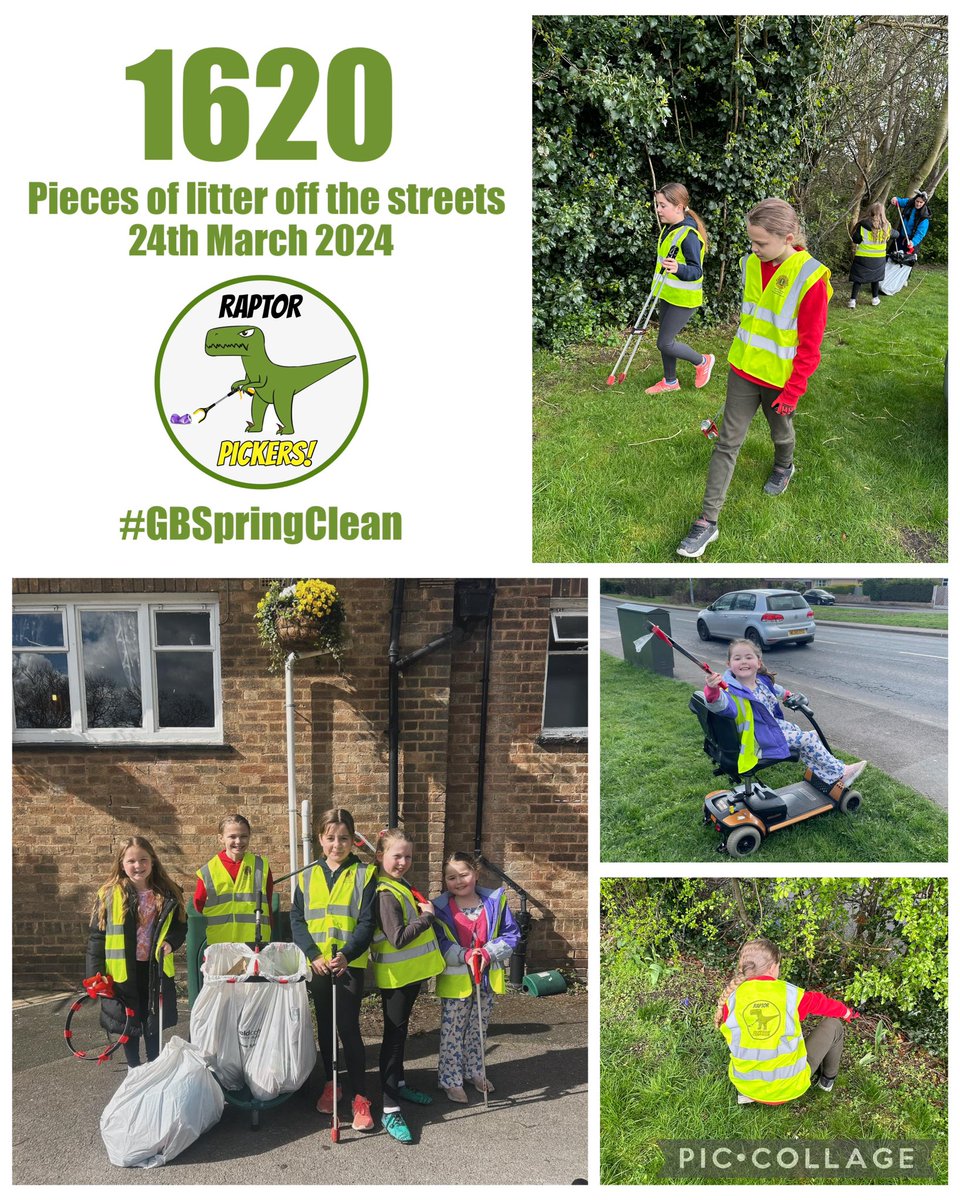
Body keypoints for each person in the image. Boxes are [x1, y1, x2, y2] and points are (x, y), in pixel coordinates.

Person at [677, 198, 833, 558]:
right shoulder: (751, 263)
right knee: (727, 442)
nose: (754, 249)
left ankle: (783, 465)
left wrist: (794, 391)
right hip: (743, 370)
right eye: (752, 241)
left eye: (761, 243)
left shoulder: (811, 278)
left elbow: (810, 347)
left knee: (781, 432)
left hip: (781, 380)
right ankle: (707, 522)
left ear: (789, 237)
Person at [289, 807, 377, 1132]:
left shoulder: (365, 874)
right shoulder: (306, 875)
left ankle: (360, 1096)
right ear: (320, 841)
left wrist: (349, 954)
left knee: (349, 1028)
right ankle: (331, 1082)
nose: (337, 844)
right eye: (330, 838)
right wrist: (312, 954)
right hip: (319, 966)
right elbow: (296, 919)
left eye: (343, 838)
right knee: (324, 1026)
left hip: (348, 965)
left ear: (353, 841)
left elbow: (368, 922)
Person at [702, 638, 866, 790]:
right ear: (729, 664)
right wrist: (712, 690)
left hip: (770, 728)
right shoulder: (731, 692)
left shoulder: (760, 681)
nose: (743, 661)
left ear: (758, 663)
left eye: (748, 657)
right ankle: (841, 773)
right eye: (737, 658)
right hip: (756, 740)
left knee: (807, 734)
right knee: (807, 739)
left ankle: (825, 773)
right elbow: (718, 705)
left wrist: (787, 695)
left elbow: (775, 689)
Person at [714, 937, 859, 1103]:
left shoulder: (732, 998)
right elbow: (822, 1004)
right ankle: (827, 1080)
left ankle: (748, 1094)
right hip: (789, 1087)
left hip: (746, 1086)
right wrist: (846, 1012)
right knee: (834, 1026)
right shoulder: (790, 994)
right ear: (773, 967)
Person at [370, 828, 445, 1143]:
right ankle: (389, 1109)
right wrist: (427, 917)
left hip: (410, 975)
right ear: (380, 856)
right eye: (396, 856)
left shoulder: (401, 885)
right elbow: (397, 938)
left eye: (407, 856)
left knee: (400, 1034)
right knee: (394, 1039)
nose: (402, 861)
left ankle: (399, 1085)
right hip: (396, 978)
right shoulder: (385, 892)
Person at [86, 836, 187, 1068]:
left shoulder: (168, 892)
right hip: (122, 971)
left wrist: (171, 942)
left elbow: (181, 925)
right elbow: (96, 937)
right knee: (127, 1020)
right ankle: (134, 1067)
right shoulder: (109, 894)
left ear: (153, 861)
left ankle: (153, 1065)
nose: (138, 865)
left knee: (152, 1020)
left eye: (143, 859)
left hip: (154, 969)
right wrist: (95, 975)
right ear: (121, 863)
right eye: (131, 861)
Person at [432, 852, 520, 1102]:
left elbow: (511, 935)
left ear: (476, 873)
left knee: (478, 1028)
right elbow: (439, 942)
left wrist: (488, 952)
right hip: (457, 979)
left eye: (464, 874)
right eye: (451, 877)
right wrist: (464, 954)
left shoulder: (495, 902)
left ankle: (475, 1071)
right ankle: (450, 1079)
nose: (458, 881)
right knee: (452, 1030)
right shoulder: (440, 909)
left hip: (485, 977)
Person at [637, 183, 715, 395]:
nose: (658, 210)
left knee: (664, 343)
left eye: (663, 205)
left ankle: (703, 361)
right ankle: (670, 381)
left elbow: (696, 271)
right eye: (657, 205)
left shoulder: (688, 235)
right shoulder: (670, 228)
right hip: (668, 294)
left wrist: (678, 268)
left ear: (679, 207)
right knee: (665, 339)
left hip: (684, 298)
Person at [194, 813, 273, 946]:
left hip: (255, 942)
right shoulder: (208, 871)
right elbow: (198, 905)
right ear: (221, 838)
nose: (238, 841)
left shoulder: (261, 866)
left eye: (243, 836)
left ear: (249, 837)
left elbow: (268, 905)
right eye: (232, 836)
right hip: (221, 943)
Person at [847, 201, 891, 308]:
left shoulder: (862, 225)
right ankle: (875, 299)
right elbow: (892, 235)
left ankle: (852, 301)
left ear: (870, 211)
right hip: (879, 259)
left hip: (863, 257)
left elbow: (856, 239)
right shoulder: (887, 226)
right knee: (875, 279)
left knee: (858, 279)